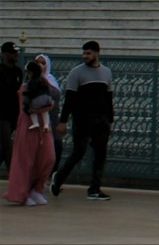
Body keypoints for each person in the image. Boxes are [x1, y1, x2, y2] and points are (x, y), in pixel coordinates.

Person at [52, 40, 113, 201]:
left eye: (88, 53)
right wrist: (63, 121)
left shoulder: (106, 72)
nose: (85, 56)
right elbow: (70, 99)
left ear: (97, 53)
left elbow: (108, 97)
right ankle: (58, 179)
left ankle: (94, 188)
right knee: (79, 151)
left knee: (100, 154)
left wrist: (110, 118)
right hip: (82, 119)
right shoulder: (76, 72)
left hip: (101, 119)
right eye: (84, 53)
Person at [4, 58, 56, 205]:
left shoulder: (48, 83)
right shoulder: (25, 88)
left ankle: (37, 188)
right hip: (28, 125)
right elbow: (28, 106)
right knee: (26, 160)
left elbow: (51, 101)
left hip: (44, 126)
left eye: (42, 63)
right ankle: (21, 193)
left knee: (48, 157)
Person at [0, 42, 19, 174]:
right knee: (8, 146)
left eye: (16, 52)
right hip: (1, 115)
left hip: (14, 115)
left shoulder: (18, 72)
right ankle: (15, 179)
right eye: (13, 52)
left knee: (3, 149)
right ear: (5, 54)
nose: (16, 54)